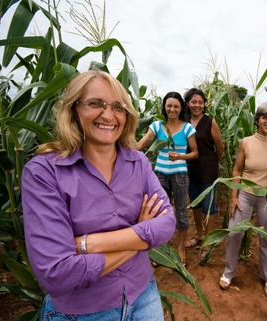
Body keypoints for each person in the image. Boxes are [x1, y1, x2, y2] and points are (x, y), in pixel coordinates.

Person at [21, 69, 176, 320]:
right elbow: (58, 274)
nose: (108, 114)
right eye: (95, 103)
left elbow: (167, 223)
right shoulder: (43, 173)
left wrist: (86, 244)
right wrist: (141, 232)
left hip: (143, 295)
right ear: (73, 110)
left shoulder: (138, 162)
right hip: (82, 312)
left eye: (118, 106)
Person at [218, 101, 267, 299]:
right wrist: (233, 197)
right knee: (234, 234)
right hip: (246, 194)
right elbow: (237, 170)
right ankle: (229, 272)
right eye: (264, 117)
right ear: (257, 120)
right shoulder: (246, 142)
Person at [137, 91, 198, 266]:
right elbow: (141, 145)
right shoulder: (157, 126)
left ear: (181, 108)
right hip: (160, 175)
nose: (172, 109)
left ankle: (180, 248)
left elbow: (195, 153)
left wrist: (180, 156)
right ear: (164, 107)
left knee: (181, 213)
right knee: (159, 212)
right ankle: (160, 248)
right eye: (169, 105)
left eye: (176, 106)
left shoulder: (187, 128)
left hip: (180, 176)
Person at [183, 88, 223, 263]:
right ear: (188, 104)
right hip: (189, 169)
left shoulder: (210, 122)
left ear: (204, 104)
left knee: (209, 207)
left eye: (200, 102)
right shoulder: (183, 121)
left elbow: (219, 147)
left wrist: (213, 163)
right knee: (196, 205)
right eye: (193, 102)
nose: (197, 105)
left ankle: (208, 241)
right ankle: (199, 235)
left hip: (208, 170)